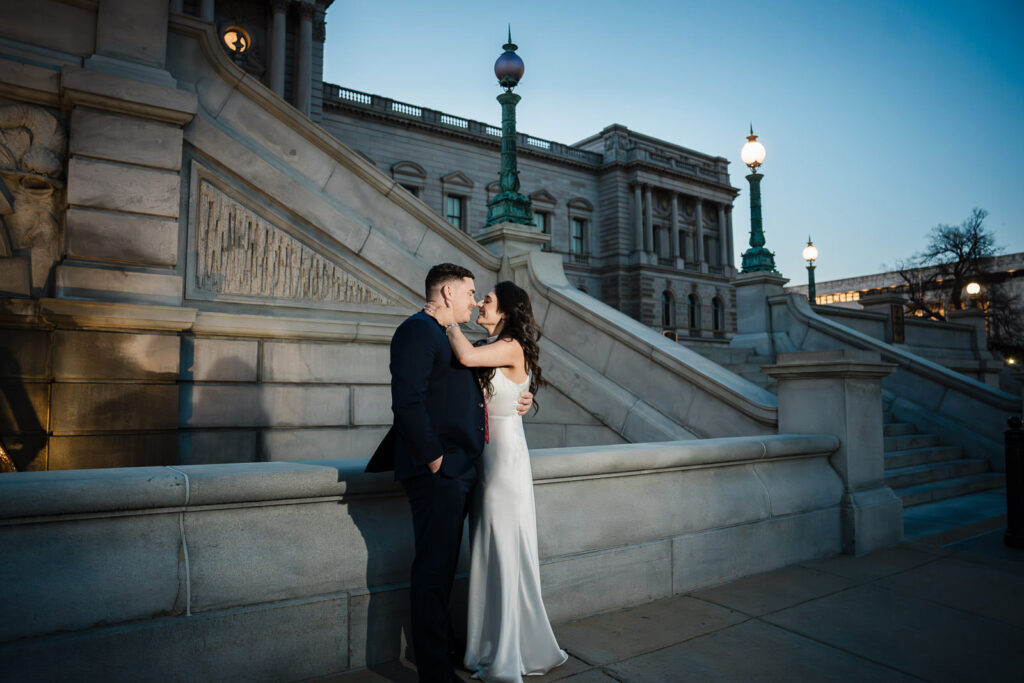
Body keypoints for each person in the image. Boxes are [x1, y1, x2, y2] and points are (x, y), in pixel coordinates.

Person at [366, 264, 533, 683]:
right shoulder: (417, 331)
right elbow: (407, 403)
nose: (475, 300)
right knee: (433, 573)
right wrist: (435, 459)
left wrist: (525, 396)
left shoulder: (443, 333)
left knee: (442, 572)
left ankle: (448, 651)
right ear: (446, 293)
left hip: (465, 470)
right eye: (470, 292)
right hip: (438, 472)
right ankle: (436, 672)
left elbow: (489, 380)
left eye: (482, 296)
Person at [425, 280, 568, 683]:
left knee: (504, 550)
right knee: (489, 549)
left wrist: (446, 319)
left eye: (486, 301)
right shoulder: (500, 347)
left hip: (504, 463)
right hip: (488, 461)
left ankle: (507, 653)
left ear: (504, 311)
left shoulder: (508, 346)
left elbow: (467, 356)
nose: (479, 305)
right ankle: (490, 645)